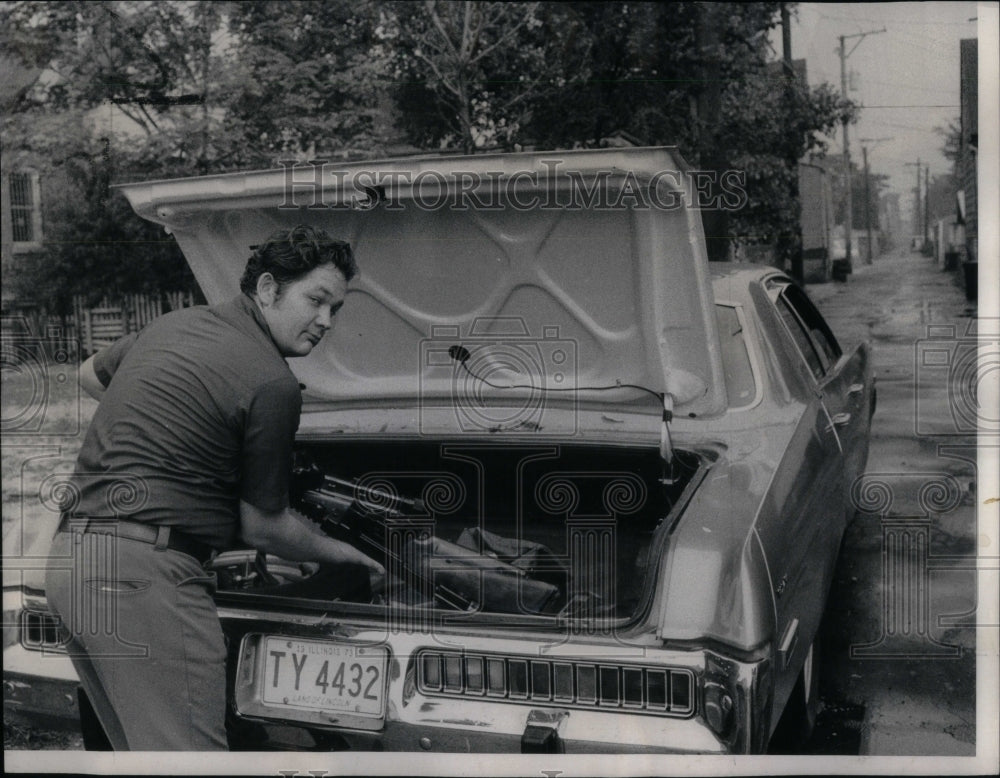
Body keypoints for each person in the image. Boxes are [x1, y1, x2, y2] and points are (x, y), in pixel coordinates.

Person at [44, 224, 383, 750]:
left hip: (72, 560)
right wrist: (346, 555)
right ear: (268, 288)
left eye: (335, 310)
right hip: (148, 577)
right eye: (316, 300)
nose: (324, 322)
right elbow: (264, 527)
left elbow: (90, 376)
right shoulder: (272, 382)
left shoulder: (171, 325)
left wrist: (170, 430)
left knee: (138, 756)